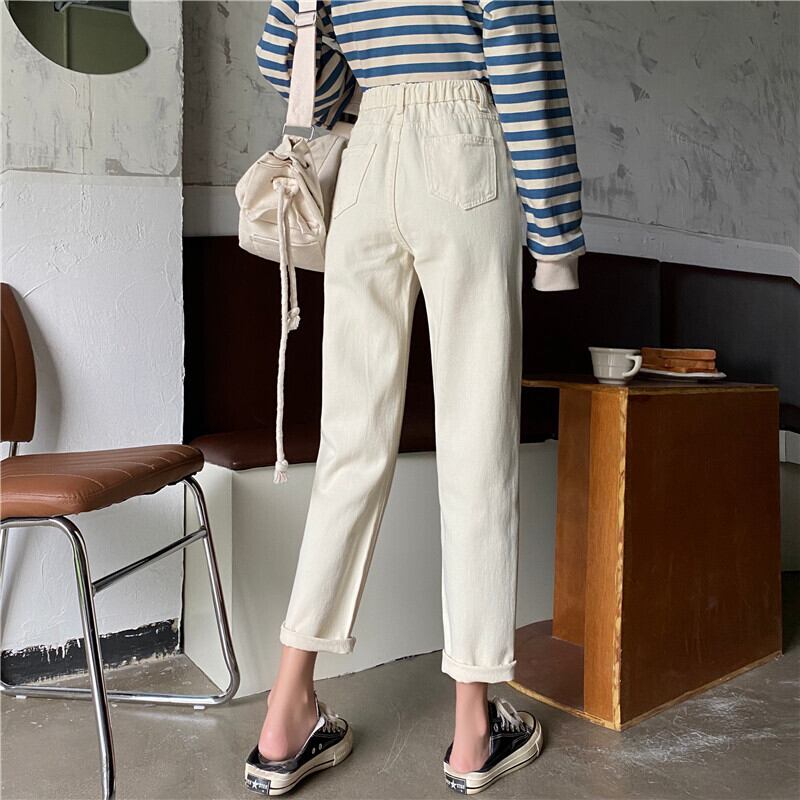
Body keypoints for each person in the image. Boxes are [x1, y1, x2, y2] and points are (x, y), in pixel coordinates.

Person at [245, 1, 586, 795]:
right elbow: (523, 65)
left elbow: (281, 54)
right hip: (464, 145)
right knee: (476, 445)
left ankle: (285, 712)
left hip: (367, 162)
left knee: (350, 445)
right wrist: (557, 241)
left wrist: (363, 85)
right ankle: (472, 731)